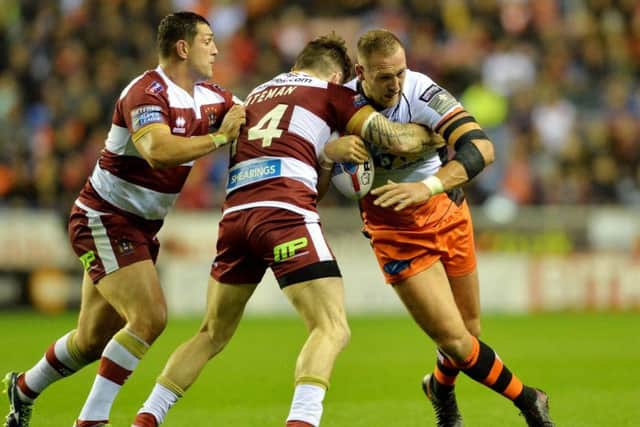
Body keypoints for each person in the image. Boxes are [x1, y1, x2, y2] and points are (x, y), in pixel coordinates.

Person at [130, 32, 442, 427]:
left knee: (211, 333)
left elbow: (306, 166)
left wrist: (327, 157)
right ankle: (302, 421)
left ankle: (146, 417)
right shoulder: (333, 96)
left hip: (235, 218)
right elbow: (395, 140)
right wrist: (440, 133)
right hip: (284, 212)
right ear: (336, 75)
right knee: (331, 327)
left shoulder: (254, 95)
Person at [2, 11, 246, 427]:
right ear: (182, 47)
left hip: (140, 226)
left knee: (90, 340)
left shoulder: (212, 96)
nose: (217, 48)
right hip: (104, 218)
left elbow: (255, 113)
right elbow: (156, 150)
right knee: (150, 317)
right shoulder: (145, 92)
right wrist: (221, 138)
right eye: (207, 40)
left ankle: (23, 388)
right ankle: (92, 421)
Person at [347, 29, 556, 427]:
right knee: (457, 342)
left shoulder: (423, 91)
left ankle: (440, 389)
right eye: (383, 77)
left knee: (469, 333)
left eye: (400, 73)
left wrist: (427, 186)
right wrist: (331, 150)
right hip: (395, 233)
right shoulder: (341, 102)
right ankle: (530, 400)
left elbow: (483, 148)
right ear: (361, 72)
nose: (395, 84)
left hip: (446, 211)